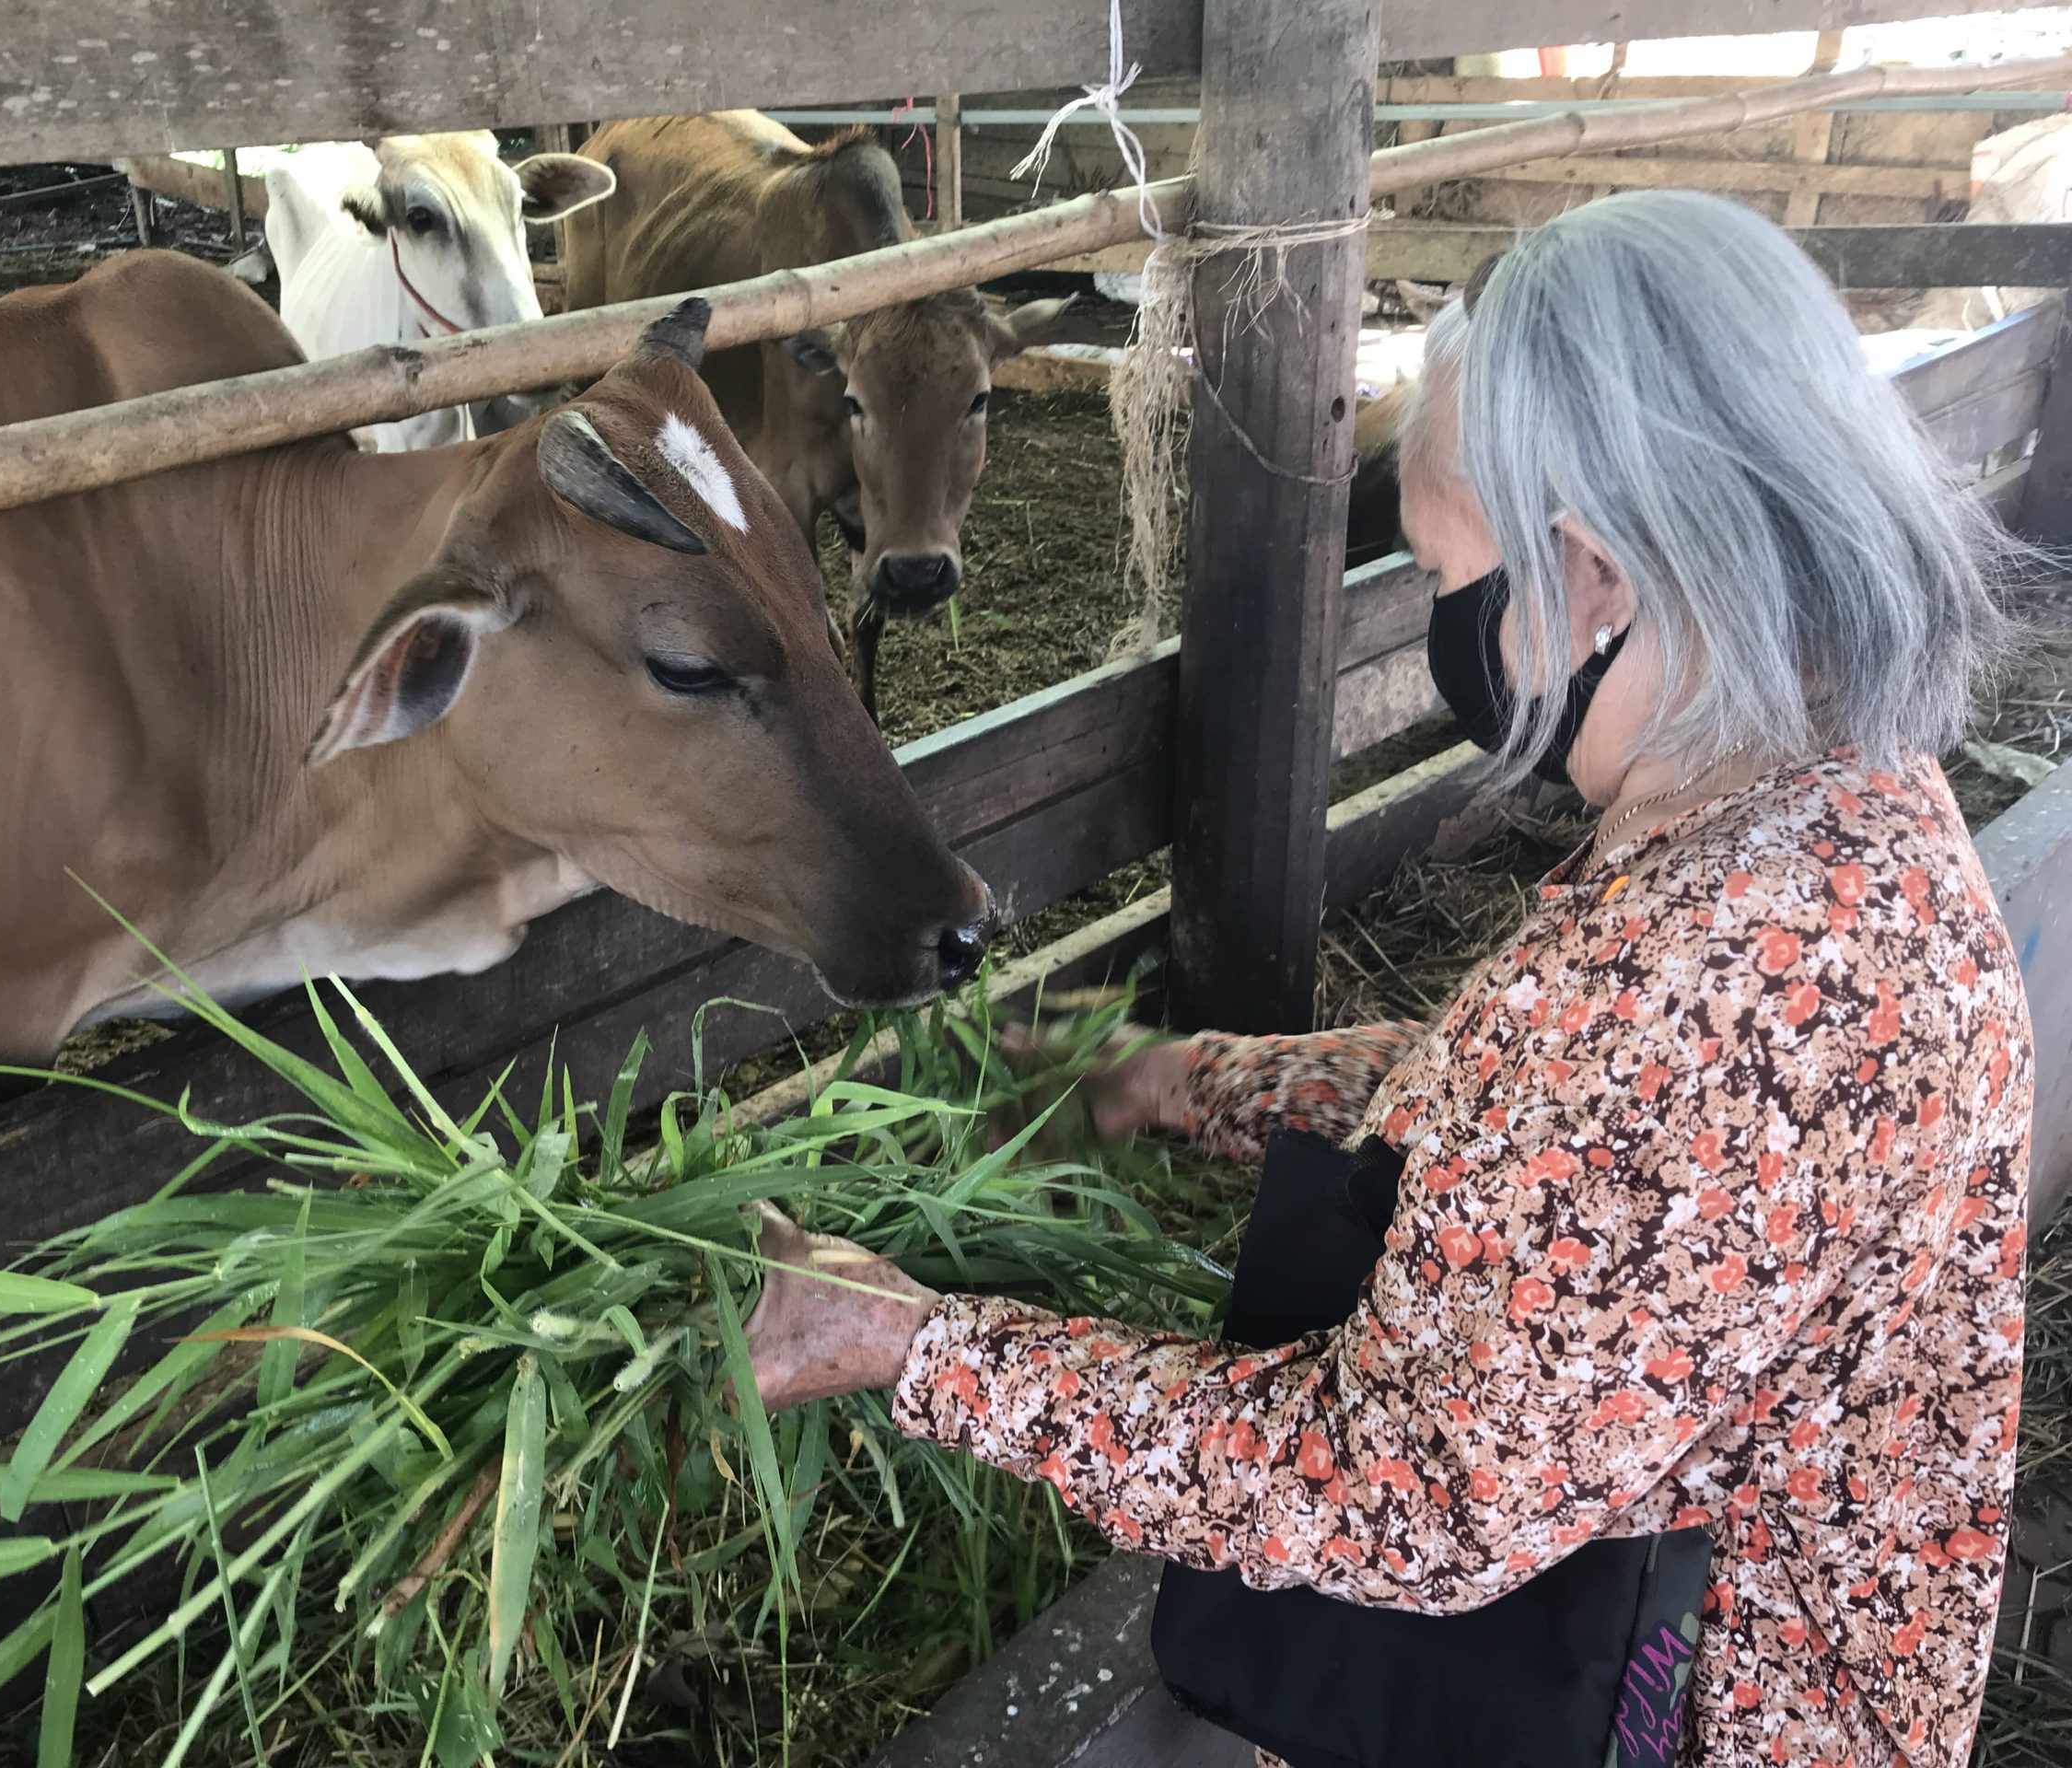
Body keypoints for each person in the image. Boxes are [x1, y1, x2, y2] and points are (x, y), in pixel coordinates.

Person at [740, 189, 2038, 1768]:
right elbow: (1574, 1140)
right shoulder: (1815, 788)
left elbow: (1401, 1494)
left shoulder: (1748, 978)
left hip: (1682, 1704)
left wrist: (917, 1346)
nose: (1444, 629)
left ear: (1597, 574)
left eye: (1445, 578)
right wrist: (1206, 1079)